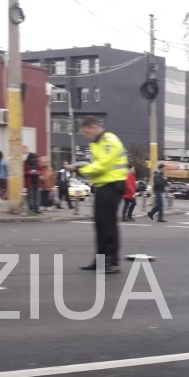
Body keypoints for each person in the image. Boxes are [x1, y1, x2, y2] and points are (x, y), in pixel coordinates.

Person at [65, 116, 128, 273]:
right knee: (100, 224)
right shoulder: (97, 143)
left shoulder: (109, 141)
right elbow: (97, 166)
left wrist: (79, 169)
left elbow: (101, 166)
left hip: (112, 186)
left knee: (108, 224)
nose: (86, 136)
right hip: (102, 186)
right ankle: (100, 261)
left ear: (94, 127)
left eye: (86, 132)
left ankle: (113, 261)